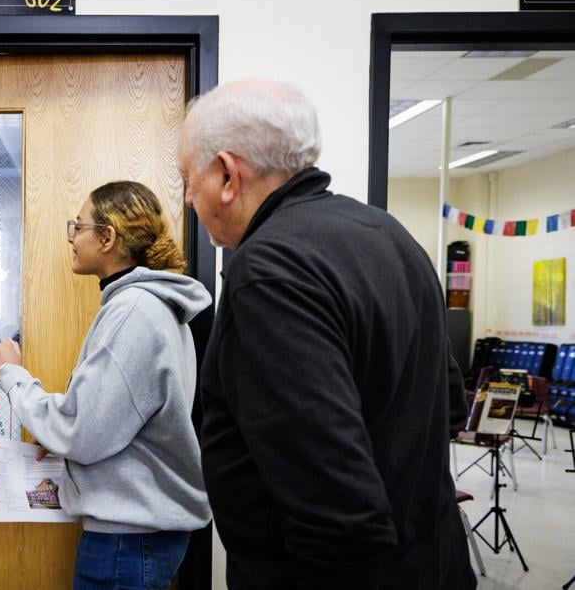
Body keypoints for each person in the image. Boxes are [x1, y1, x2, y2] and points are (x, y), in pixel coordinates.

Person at [177, 79, 475, 589]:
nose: (186, 198)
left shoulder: (271, 269)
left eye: (188, 178)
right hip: (432, 563)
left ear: (227, 174)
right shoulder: (389, 235)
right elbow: (447, 404)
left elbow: (335, 509)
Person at [0, 181, 212, 590]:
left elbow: (82, 430)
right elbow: (110, 419)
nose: (72, 237)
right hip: (137, 535)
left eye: (79, 226)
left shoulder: (134, 312)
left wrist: (12, 376)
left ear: (107, 237)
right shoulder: (152, 309)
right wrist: (61, 437)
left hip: (127, 541)